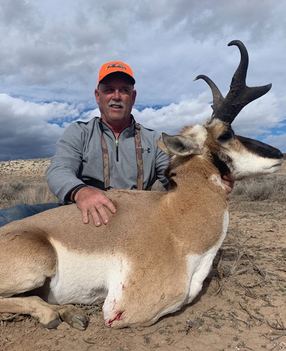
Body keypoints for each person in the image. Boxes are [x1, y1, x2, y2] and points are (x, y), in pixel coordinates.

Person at [0, 61, 233, 228]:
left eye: (123, 90)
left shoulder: (155, 140)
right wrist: (81, 192)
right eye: (109, 89)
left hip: (136, 219)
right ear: (97, 95)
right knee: (16, 214)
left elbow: (174, 177)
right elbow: (59, 170)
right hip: (81, 211)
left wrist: (208, 184)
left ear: (133, 97)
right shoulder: (79, 132)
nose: (116, 96)